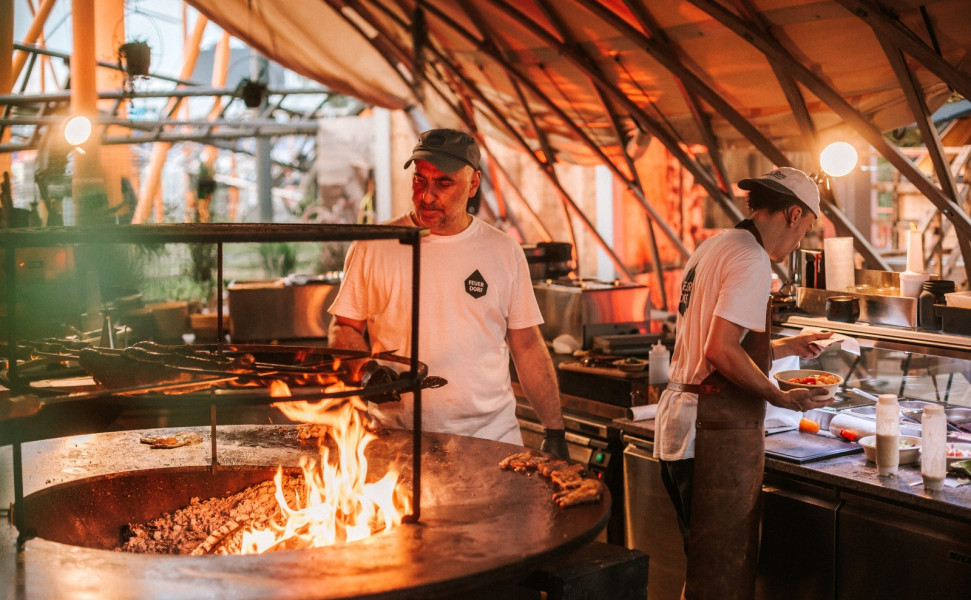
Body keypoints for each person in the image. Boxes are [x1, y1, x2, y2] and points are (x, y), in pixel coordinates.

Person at [327, 128, 568, 457]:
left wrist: (554, 430)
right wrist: (366, 370)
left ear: (473, 183)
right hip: (397, 443)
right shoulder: (374, 245)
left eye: (443, 183)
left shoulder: (503, 251)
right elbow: (343, 328)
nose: (426, 196)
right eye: (419, 179)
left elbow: (527, 345)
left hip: (491, 442)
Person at [653, 167, 836, 599]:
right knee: (719, 579)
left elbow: (720, 343)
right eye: (807, 229)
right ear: (794, 214)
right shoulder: (752, 259)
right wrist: (780, 396)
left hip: (682, 424)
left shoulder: (715, 246)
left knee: (704, 573)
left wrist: (790, 346)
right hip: (709, 432)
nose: (800, 241)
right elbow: (719, 351)